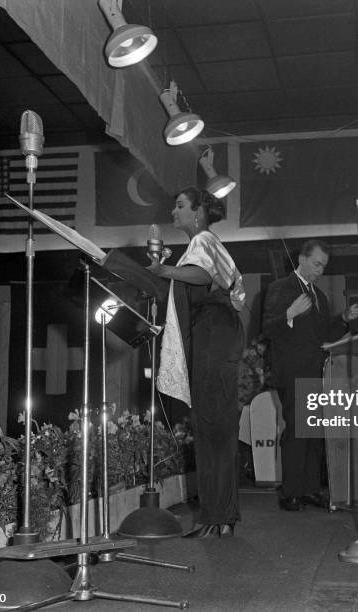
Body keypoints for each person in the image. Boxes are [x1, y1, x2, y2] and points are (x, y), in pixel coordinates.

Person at [116, 187, 244, 538]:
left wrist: (164, 271)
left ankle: (216, 516)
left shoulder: (203, 239)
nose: (173, 213)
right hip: (219, 335)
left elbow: (202, 277)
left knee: (211, 428)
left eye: (180, 206)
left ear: (199, 212)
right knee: (218, 429)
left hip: (213, 337)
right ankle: (221, 516)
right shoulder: (206, 242)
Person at [262, 240, 358, 511]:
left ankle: (309, 489)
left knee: (315, 430)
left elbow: (324, 336)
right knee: (296, 429)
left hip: (318, 372)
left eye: (323, 267)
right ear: (302, 259)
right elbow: (268, 328)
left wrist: (343, 319)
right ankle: (290, 492)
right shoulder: (280, 288)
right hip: (292, 371)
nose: (320, 270)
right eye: (316, 264)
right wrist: (290, 313)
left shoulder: (321, 297)